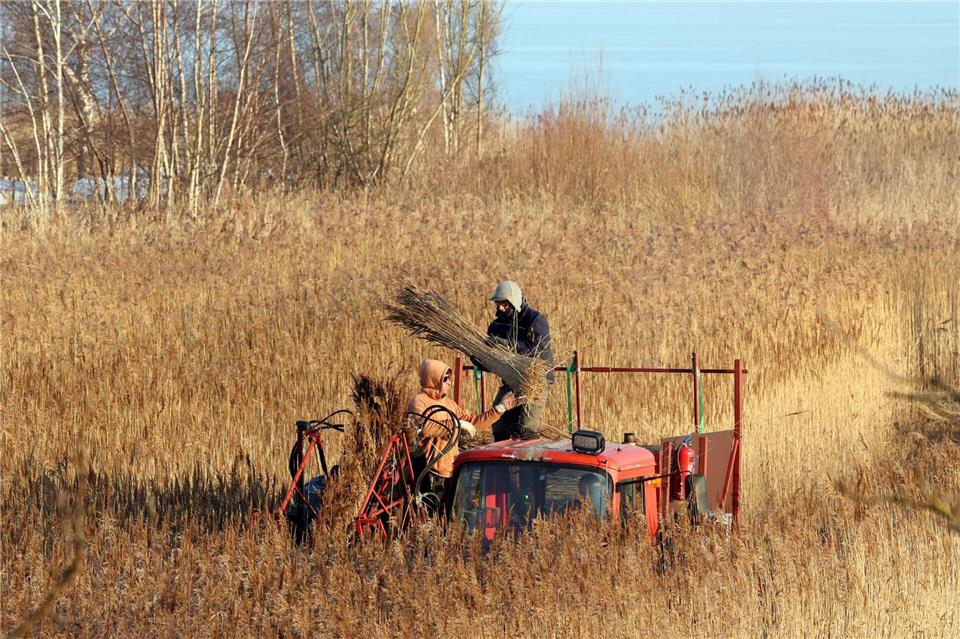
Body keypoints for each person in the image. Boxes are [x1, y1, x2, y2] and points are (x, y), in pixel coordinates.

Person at [406, 359, 516, 495]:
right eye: (445, 379)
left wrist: (501, 408)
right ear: (433, 379)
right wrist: (456, 424)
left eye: (449, 379)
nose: (449, 382)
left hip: (450, 469)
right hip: (428, 470)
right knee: (429, 505)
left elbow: (473, 423)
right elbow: (424, 427)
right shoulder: (418, 402)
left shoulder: (449, 404)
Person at [485, 280, 554, 440]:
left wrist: (508, 345)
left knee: (526, 428)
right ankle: (502, 454)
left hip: (535, 380)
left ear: (514, 302)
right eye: (498, 304)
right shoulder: (497, 325)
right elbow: (490, 357)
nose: (501, 308)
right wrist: (479, 358)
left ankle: (529, 454)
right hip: (511, 380)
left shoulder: (535, 320)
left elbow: (538, 350)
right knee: (499, 424)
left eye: (505, 304)